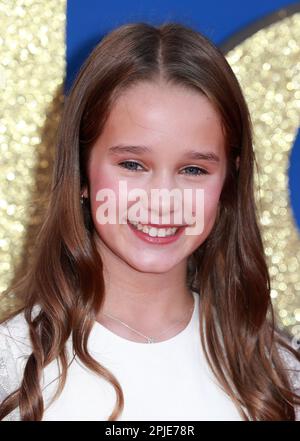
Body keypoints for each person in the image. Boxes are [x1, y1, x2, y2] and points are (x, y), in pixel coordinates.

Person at [0, 21, 300, 421]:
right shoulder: (11, 365)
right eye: (132, 164)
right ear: (81, 172)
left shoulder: (278, 376)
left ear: (229, 180)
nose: (162, 202)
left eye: (193, 170)